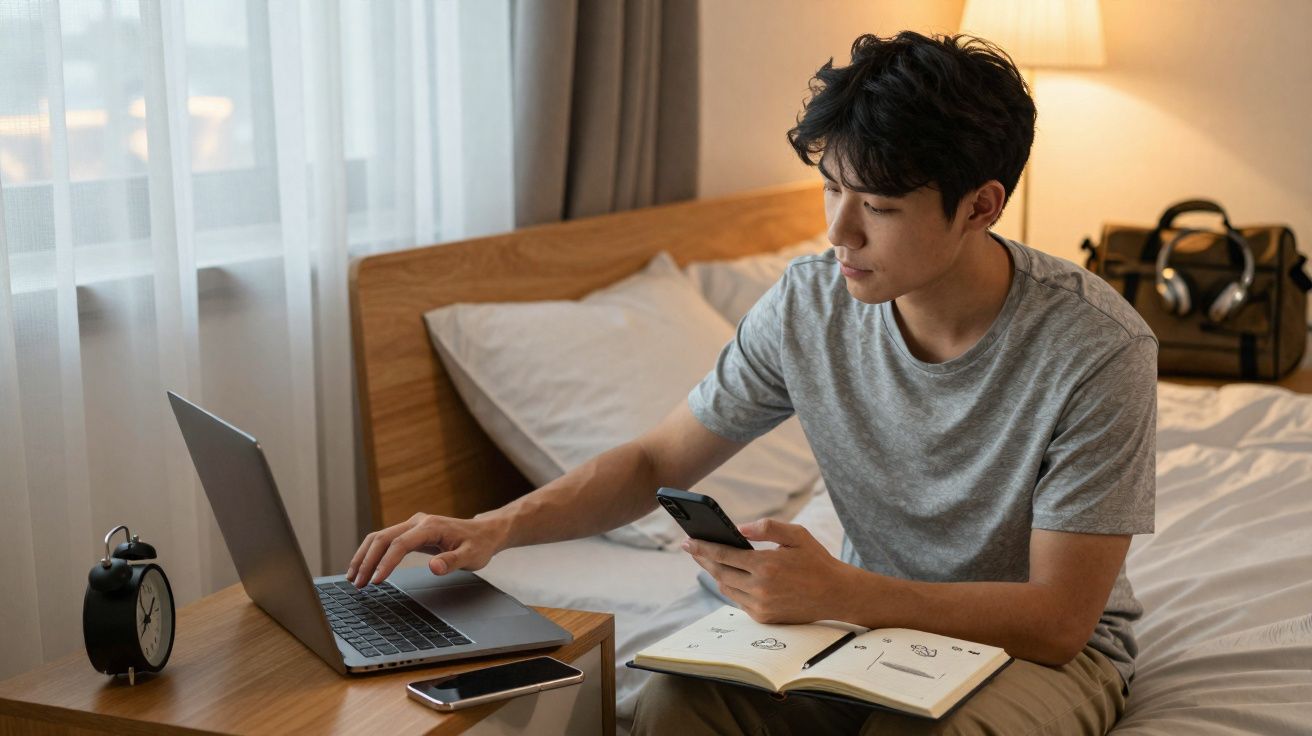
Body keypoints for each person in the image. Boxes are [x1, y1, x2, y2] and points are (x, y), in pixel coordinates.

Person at [347, 30, 1157, 736]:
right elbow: (656, 462)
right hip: (865, 632)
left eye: (875, 204)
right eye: (832, 187)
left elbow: (1058, 621)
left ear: (981, 206)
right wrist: (494, 527)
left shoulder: (1097, 348)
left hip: (1034, 655)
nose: (838, 231)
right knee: (671, 710)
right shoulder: (810, 302)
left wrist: (842, 590)